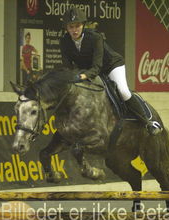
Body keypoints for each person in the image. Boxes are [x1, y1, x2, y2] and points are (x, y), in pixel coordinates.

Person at [60, 7, 163, 135]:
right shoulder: (64, 41)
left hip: (111, 66)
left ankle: (149, 123)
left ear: (83, 25)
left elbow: (97, 67)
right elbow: (67, 67)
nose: (74, 30)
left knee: (123, 91)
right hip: (88, 70)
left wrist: (81, 76)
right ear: (66, 28)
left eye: (77, 26)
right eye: (71, 27)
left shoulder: (95, 37)